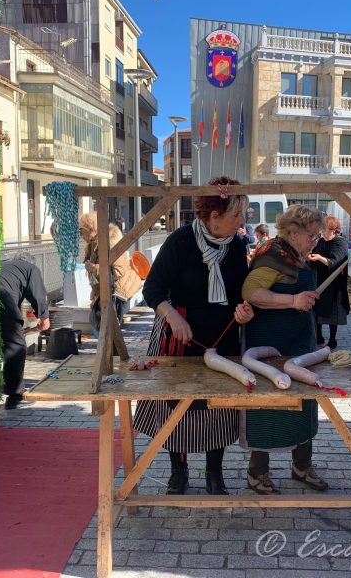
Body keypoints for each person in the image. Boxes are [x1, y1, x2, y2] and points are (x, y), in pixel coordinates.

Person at [133, 177, 254, 496]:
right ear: (214, 216)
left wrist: (245, 310)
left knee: (218, 407)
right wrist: (171, 316)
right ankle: (178, 471)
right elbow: (153, 288)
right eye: (237, 214)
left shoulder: (238, 246)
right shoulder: (181, 241)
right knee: (178, 408)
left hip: (223, 337)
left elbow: (242, 292)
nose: (243, 220)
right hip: (180, 337)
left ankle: (215, 473)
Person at [241, 205, 328, 495]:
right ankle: (258, 473)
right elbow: (251, 293)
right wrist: (292, 302)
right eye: (311, 235)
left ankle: (302, 466)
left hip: (299, 341)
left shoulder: (297, 256)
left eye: (317, 235)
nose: (315, 241)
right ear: (292, 231)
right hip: (271, 343)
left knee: (303, 403)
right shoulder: (272, 254)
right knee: (268, 406)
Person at [0, 256, 50, 410]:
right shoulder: (30, 268)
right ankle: (15, 394)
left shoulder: (6, 266)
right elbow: (38, 294)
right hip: (2, 299)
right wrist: (44, 316)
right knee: (17, 347)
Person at [79, 212, 142, 329]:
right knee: (103, 325)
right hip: (110, 290)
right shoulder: (94, 243)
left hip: (119, 291)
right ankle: (109, 346)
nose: (80, 235)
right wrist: (95, 293)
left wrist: (94, 268)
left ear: (91, 229)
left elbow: (118, 271)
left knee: (108, 328)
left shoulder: (111, 241)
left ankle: (110, 346)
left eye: (82, 231)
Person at [308, 215, 350, 349]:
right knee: (317, 312)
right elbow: (314, 256)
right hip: (320, 283)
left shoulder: (340, 243)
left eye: (325, 230)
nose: (322, 233)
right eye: (322, 230)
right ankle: (319, 337)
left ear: (334, 230)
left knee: (333, 315)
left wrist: (319, 257)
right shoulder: (321, 241)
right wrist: (311, 257)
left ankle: (332, 340)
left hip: (334, 284)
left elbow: (334, 262)